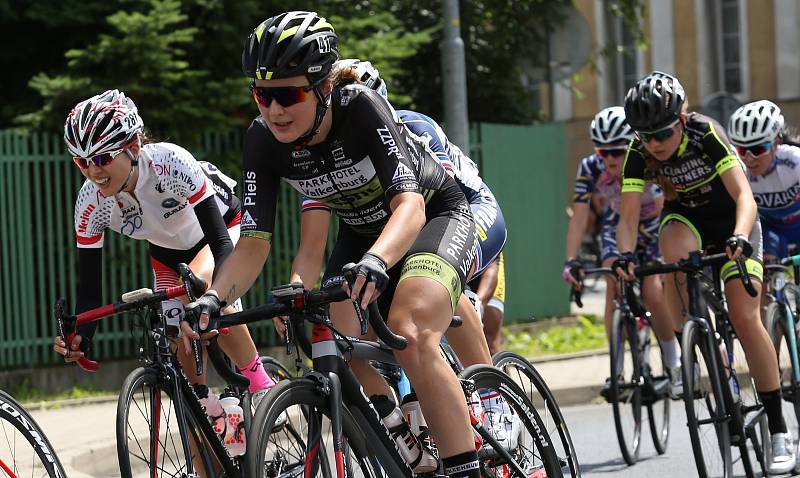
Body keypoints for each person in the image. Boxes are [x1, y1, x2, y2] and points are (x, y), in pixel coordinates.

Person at [186, 12, 483, 477]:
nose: (274, 109)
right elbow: (252, 244)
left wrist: (377, 261)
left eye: (289, 94)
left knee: (412, 332)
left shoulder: (359, 106)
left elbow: (409, 206)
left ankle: (466, 466)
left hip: (432, 216)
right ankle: (408, 449)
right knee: (334, 339)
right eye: (263, 95)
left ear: (324, 88)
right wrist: (212, 298)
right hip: (363, 235)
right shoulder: (262, 140)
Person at [617, 71, 795, 473]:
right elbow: (627, 217)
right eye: (645, 136)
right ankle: (709, 352)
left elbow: (744, 196)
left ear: (680, 120)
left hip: (733, 220)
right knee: (674, 254)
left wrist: (739, 236)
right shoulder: (637, 151)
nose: (654, 144)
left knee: (746, 319)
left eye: (662, 133)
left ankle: (780, 431)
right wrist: (624, 256)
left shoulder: (705, 134)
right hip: (686, 220)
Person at [52, 89, 276, 406]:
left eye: (102, 158)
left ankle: (260, 384)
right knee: (189, 394)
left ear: (132, 147)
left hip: (223, 231)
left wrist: (214, 296)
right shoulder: (91, 202)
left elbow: (222, 246)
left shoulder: (169, 163)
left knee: (197, 290)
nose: (93, 171)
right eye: (82, 161)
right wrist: (81, 336)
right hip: (168, 257)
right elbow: (90, 292)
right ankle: (211, 426)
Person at [562, 106, 679, 397]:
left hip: (653, 224)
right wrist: (571, 260)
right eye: (603, 152)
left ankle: (673, 363)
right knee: (613, 282)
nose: (610, 159)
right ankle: (615, 369)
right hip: (618, 223)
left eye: (617, 151)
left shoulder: (647, 158)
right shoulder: (590, 167)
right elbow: (579, 217)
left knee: (653, 290)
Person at [728, 100, 800, 262]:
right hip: (771, 230)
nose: (749, 158)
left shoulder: (794, 161)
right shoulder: (739, 169)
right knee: (765, 269)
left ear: (776, 143)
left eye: (757, 149)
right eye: (741, 150)